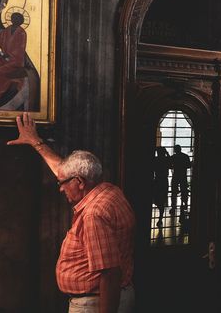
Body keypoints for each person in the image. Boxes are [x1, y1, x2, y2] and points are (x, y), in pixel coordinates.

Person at [8, 112, 135, 313]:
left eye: (63, 184)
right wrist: (36, 142)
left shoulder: (94, 214)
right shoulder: (110, 191)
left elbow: (110, 273)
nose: (60, 188)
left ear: (80, 182)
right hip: (111, 296)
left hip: (96, 303)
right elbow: (63, 169)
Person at [169, 144, 191, 215]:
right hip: (183, 176)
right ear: (180, 149)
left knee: (174, 192)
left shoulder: (173, 157)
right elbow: (189, 166)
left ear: (175, 150)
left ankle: (173, 206)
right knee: (184, 191)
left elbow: (169, 165)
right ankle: (185, 205)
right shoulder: (185, 156)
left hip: (175, 175)